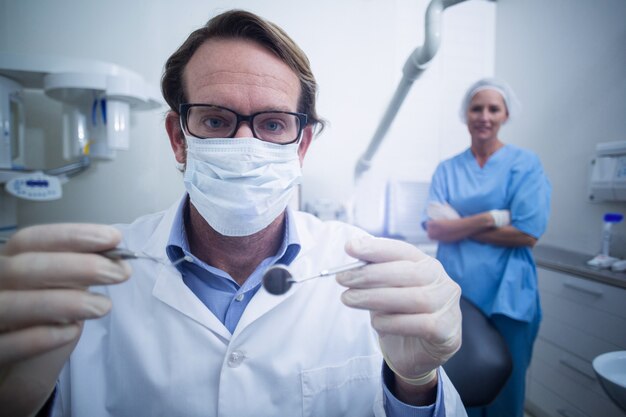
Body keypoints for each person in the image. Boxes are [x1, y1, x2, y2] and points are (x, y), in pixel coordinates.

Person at [0, 10, 467, 417]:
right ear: (179, 136)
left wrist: (417, 383)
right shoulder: (93, 278)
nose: (245, 145)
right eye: (216, 121)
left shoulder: (363, 271)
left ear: (301, 144)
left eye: (272, 124)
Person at [423, 78, 551, 417]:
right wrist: (493, 217)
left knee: (506, 395)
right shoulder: (448, 169)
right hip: (456, 295)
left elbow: (527, 233)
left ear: (506, 114)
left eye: (493, 108)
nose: (484, 116)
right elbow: (435, 227)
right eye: (476, 108)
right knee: (454, 387)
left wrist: (459, 225)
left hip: (509, 296)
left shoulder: (525, 164)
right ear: (466, 115)